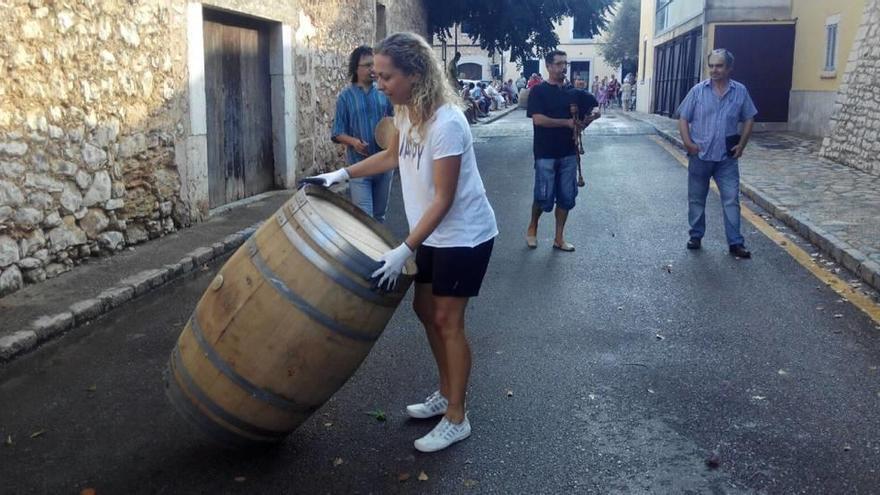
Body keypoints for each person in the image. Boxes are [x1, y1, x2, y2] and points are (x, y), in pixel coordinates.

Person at [308, 32, 498, 453]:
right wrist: (342, 175)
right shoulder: (406, 111)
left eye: (387, 76)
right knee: (424, 309)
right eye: (375, 76)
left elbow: (445, 200)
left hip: (463, 237)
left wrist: (405, 248)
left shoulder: (447, 124)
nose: (379, 84)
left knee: (448, 321)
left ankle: (457, 416)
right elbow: (392, 157)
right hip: (432, 235)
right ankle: (446, 392)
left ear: (415, 73)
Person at [678, 48, 757, 258]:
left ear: (729, 68)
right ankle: (695, 236)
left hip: (726, 159)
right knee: (696, 199)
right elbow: (683, 117)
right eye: (711, 65)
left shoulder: (740, 91)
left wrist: (742, 144)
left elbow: (749, 117)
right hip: (700, 155)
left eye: (719, 66)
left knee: (731, 199)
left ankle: (735, 243)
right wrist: (687, 143)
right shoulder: (697, 91)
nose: (714, 70)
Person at [525, 50, 600, 252]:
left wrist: (591, 117)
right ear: (548, 66)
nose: (563, 68)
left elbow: (594, 106)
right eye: (558, 64)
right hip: (545, 153)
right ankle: (533, 227)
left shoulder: (573, 92)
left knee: (567, 197)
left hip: (568, 153)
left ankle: (559, 238)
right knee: (543, 196)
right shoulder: (538, 91)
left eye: (565, 64)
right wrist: (567, 123)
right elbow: (538, 119)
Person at [331, 45, 394, 222]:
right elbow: (337, 132)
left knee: (379, 217)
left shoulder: (384, 93)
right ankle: (366, 251)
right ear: (356, 69)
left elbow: (395, 122)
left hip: (383, 165)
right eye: (367, 65)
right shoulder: (345, 97)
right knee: (364, 219)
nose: (372, 69)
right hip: (359, 167)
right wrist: (353, 142)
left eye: (373, 64)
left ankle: (378, 251)